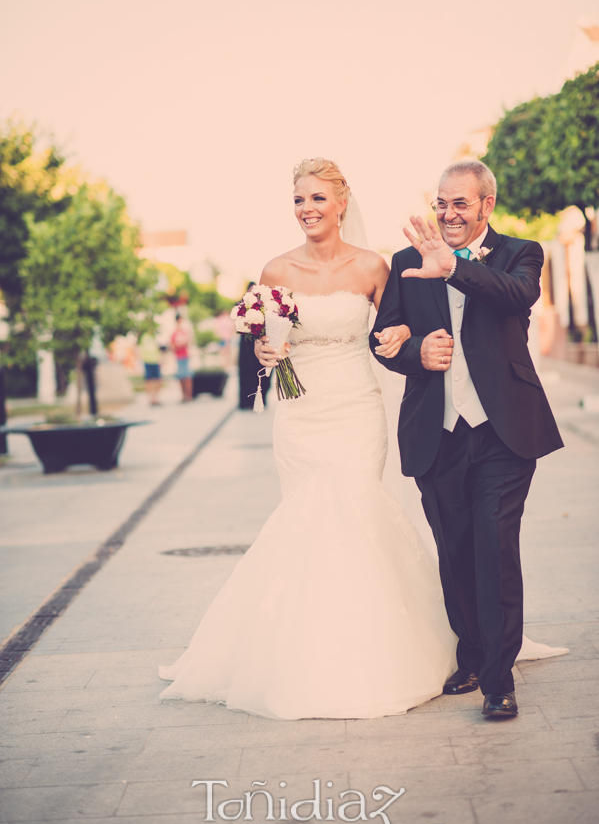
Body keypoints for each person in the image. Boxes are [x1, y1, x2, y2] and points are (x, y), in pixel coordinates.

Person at [159, 158, 457, 718]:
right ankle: (303, 649)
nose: (307, 210)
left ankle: (374, 646)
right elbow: (265, 343)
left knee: (354, 510)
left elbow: (397, 327)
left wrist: (398, 335)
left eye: (317, 199)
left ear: (342, 204)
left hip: (355, 407)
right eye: (299, 200)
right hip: (299, 412)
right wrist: (267, 351)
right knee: (306, 516)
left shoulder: (373, 267)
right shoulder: (275, 270)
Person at [370, 160, 565, 718]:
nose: (448, 213)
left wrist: (452, 266)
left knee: (495, 546)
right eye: (441, 203)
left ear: (486, 206)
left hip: (505, 430)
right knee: (454, 550)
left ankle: (499, 679)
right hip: (438, 431)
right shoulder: (405, 263)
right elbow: (379, 338)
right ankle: (474, 653)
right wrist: (415, 354)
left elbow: (515, 297)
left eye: (460, 203)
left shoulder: (521, 253)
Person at [238, 282, 272, 409]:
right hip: (246, 345)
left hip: (260, 341)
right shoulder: (242, 306)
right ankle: (246, 400)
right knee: (246, 373)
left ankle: (261, 398)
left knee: (262, 371)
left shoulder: (263, 305)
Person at [171, 313, 192, 402]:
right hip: (179, 357)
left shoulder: (185, 332)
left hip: (185, 356)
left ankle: (189, 396)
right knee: (181, 377)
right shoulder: (174, 333)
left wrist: (180, 345)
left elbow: (187, 342)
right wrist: (180, 345)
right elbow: (173, 346)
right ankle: (183, 396)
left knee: (187, 376)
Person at [138, 330, 162, 406]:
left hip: (155, 361)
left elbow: (157, 349)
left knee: (158, 380)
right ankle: (151, 399)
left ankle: (155, 397)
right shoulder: (143, 337)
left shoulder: (154, 337)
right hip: (147, 361)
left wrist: (159, 359)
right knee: (148, 380)